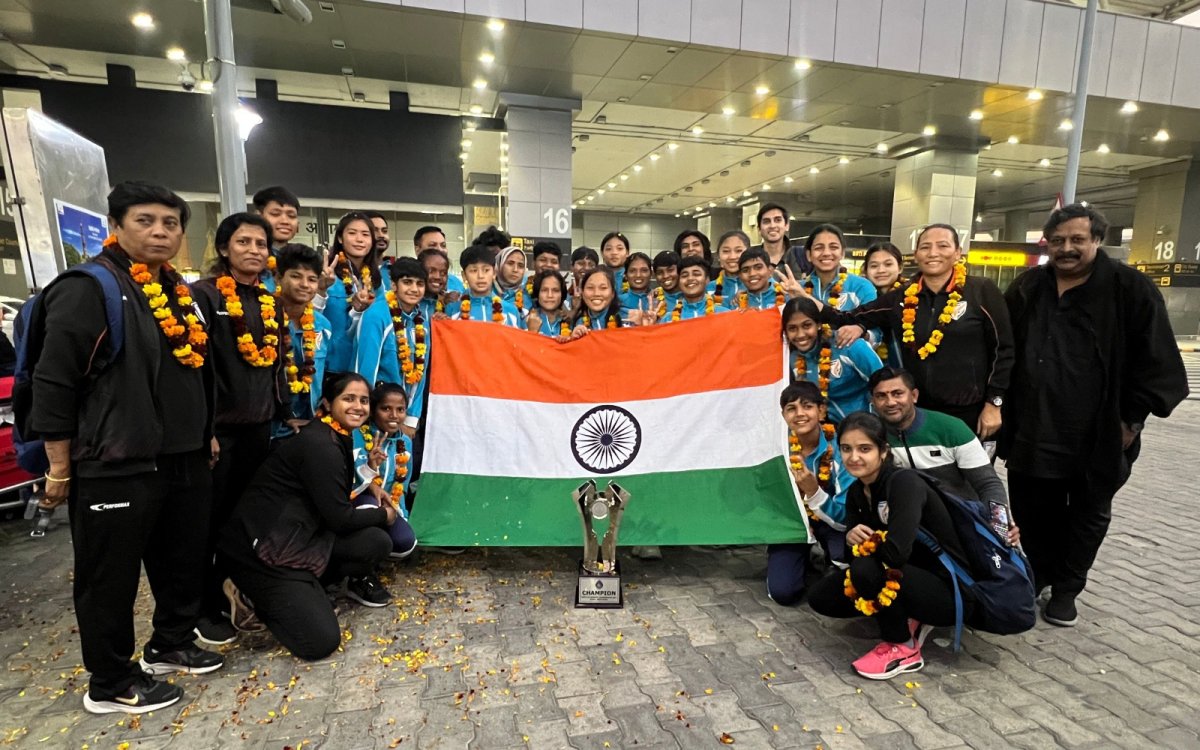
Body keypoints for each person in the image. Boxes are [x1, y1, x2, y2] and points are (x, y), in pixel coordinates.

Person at [31, 181, 222, 713]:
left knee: (180, 559)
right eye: (146, 220)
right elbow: (55, 381)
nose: (160, 231)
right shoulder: (89, 288)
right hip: (114, 460)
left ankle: (170, 644)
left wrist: (203, 431)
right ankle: (110, 681)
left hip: (182, 457)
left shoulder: (177, 292)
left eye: (170, 222)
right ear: (116, 225)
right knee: (109, 575)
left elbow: (193, 373)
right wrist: (59, 467)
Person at [1000, 203, 1188, 627]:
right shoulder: (1029, 286)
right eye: (1059, 240)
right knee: (1032, 510)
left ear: (1097, 241)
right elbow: (1003, 346)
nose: (1067, 248)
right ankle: (1039, 572)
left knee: (1087, 513)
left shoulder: (1130, 289)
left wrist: (1132, 421)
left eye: (1077, 240)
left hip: (1099, 433)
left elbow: (1156, 360)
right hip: (1033, 426)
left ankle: (1067, 587)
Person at [215, 373, 398, 659]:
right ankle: (249, 593)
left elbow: (333, 498)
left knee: (376, 542)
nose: (358, 407)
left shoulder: (336, 435)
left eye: (364, 400)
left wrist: (372, 479)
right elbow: (339, 518)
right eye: (348, 398)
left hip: (303, 536)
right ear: (327, 402)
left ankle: (306, 590)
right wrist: (383, 514)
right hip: (268, 551)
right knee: (320, 642)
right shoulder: (320, 444)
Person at [191, 212, 291, 645]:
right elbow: (193, 371)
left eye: (260, 244)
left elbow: (275, 365)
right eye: (244, 242)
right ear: (224, 248)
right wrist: (204, 428)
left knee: (241, 518)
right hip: (218, 432)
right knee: (205, 523)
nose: (253, 250)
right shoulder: (203, 295)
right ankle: (201, 607)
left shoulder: (270, 301)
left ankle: (234, 591)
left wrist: (284, 412)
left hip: (259, 428)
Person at [808, 412, 969, 680]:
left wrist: (867, 543)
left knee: (866, 571)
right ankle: (908, 615)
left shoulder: (904, 483)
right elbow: (849, 556)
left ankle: (904, 647)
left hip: (950, 591)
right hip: (909, 577)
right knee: (822, 597)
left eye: (864, 449)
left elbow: (895, 554)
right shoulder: (858, 491)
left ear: (883, 451)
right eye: (846, 449)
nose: (853, 457)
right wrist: (851, 538)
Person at [813, 224, 1014, 438]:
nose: (933, 253)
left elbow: (1004, 350)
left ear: (957, 253)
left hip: (969, 412)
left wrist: (994, 403)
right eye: (925, 247)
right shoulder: (901, 297)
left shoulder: (981, 290)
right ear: (916, 255)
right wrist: (803, 296)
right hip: (918, 413)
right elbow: (846, 317)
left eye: (943, 246)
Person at [869, 367, 1008, 509]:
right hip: (904, 518)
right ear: (872, 401)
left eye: (897, 394)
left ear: (914, 396)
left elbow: (988, 483)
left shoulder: (952, 429)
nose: (890, 402)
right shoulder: (870, 435)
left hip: (960, 515)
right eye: (881, 396)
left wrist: (999, 524)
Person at [768, 382, 853, 606]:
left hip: (833, 524)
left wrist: (813, 491)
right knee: (783, 593)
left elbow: (845, 518)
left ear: (821, 411)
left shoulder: (842, 449)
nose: (800, 414)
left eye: (807, 406)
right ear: (783, 414)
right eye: (791, 408)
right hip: (793, 525)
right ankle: (802, 558)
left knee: (843, 571)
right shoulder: (779, 450)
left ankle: (827, 557)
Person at [355, 257, 430, 439]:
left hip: (403, 416)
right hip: (376, 415)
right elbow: (365, 369)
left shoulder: (422, 323)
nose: (414, 289)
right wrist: (366, 415)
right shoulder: (377, 315)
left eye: (419, 284)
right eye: (407, 282)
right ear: (394, 285)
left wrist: (411, 417)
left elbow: (420, 374)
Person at [783, 298, 881, 422]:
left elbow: (883, 384)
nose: (800, 334)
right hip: (827, 433)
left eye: (807, 325)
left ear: (818, 324)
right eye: (792, 328)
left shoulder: (849, 344)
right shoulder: (792, 359)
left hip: (867, 427)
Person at [350, 382, 418, 560]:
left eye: (400, 409)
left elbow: (402, 484)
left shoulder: (405, 443)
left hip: (388, 504)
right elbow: (350, 479)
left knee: (405, 543)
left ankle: (377, 549)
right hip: (359, 501)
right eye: (386, 408)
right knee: (369, 508)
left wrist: (400, 512)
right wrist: (371, 466)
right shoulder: (357, 434)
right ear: (372, 411)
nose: (394, 415)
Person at [273, 244, 334, 438]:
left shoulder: (323, 326)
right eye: (296, 276)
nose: (305, 285)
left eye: (312, 279)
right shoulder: (264, 321)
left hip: (310, 424)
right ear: (278, 277)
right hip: (271, 428)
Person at [321, 212, 382, 372]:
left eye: (365, 234)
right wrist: (320, 289)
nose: (359, 239)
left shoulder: (377, 280)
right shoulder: (327, 274)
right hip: (332, 366)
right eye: (352, 233)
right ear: (340, 238)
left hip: (364, 363)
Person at [800, 224, 876, 312]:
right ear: (809, 255)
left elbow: (871, 324)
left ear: (842, 253)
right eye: (819, 248)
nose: (826, 253)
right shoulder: (798, 289)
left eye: (833, 247)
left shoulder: (861, 287)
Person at [452, 244, 524, 328]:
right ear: (464, 275)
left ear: (494, 273)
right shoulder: (453, 310)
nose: (480, 276)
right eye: (474, 270)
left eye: (486, 270)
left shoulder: (511, 311)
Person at [861, 242, 905, 367]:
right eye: (874, 266)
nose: (881, 270)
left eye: (888, 264)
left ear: (900, 267)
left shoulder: (912, 297)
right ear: (866, 270)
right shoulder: (860, 300)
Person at [750, 202, 812, 277]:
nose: (772, 225)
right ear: (759, 229)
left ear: (787, 225)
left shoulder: (802, 255)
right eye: (766, 221)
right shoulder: (750, 259)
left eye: (778, 220)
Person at [570, 267, 624, 333]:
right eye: (590, 288)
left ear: (612, 293)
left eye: (603, 288)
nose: (596, 293)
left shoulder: (625, 318)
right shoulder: (578, 323)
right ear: (582, 293)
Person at [252, 185, 301, 252]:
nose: (285, 221)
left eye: (291, 216)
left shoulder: (304, 257)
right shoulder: (251, 255)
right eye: (275, 214)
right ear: (258, 217)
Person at [526, 270, 571, 339]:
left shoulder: (570, 321)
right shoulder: (528, 320)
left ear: (562, 294)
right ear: (537, 293)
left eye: (555, 290)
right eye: (544, 290)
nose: (550, 295)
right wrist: (532, 331)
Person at [418, 246, 463, 314]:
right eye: (431, 271)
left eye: (443, 273)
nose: (437, 277)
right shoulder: (410, 303)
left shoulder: (451, 302)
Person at [713, 230, 749, 305]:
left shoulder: (760, 285)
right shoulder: (709, 289)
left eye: (738, 251)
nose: (732, 257)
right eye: (726, 251)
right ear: (718, 257)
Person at [494, 245, 531, 312]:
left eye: (521, 266)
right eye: (510, 263)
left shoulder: (528, 298)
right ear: (499, 264)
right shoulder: (484, 292)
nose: (515, 270)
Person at [652, 251, 682, 316]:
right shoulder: (651, 299)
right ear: (655, 276)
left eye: (670, 270)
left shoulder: (692, 296)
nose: (665, 276)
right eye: (660, 272)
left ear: (680, 270)